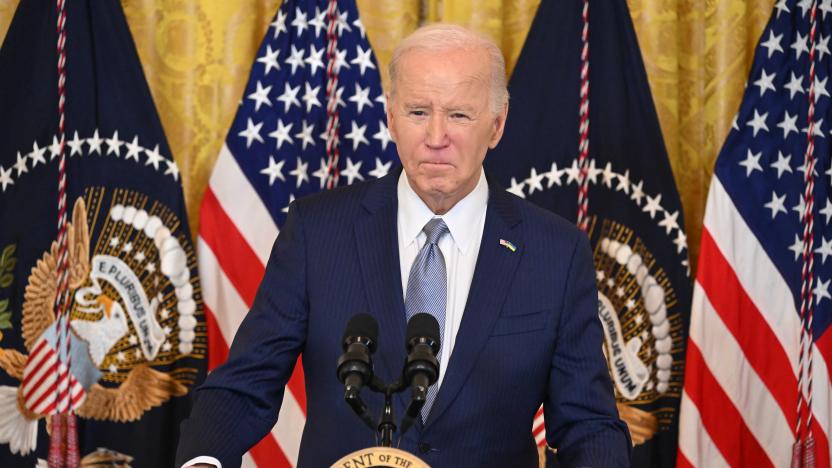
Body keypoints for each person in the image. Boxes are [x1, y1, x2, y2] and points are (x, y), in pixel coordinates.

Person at [176, 24, 630, 468]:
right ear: (391, 118)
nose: (436, 138)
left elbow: (587, 425)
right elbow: (246, 384)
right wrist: (203, 460)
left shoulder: (556, 252)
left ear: (496, 125)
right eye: (417, 112)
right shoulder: (317, 232)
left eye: (458, 115)